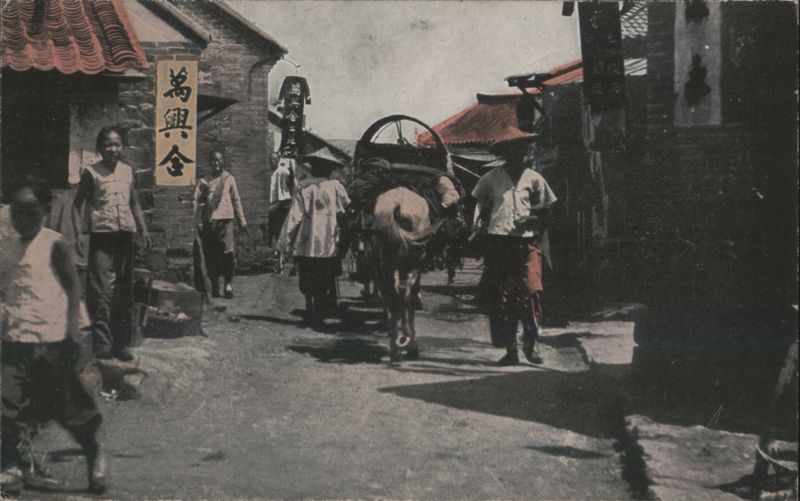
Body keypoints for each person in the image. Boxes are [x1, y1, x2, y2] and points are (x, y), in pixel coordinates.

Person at [1, 183, 107, 495]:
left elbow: (74, 287)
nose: (23, 218)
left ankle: (93, 452)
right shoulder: (8, 246)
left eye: (31, 212)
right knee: (7, 404)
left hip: (51, 338)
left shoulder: (55, 244)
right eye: (16, 211)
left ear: (45, 213)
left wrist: (74, 328)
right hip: (15, 336)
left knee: (69, 408)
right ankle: (12, 466)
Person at [471, 135, 557, 366]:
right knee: (503, 297)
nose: (517, 157)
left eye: (520, 152)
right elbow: (481, 206)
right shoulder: (490, 179)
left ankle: (531, 345)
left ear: (525, 154)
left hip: (527, 244)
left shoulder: (534, 179)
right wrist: (483, 229)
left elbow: (547, 210)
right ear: (504, 156)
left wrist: (533, 222)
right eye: (511, 153)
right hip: (499, 243)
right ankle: (511, 351)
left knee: (530, 292)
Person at [72, 126, 152, 362]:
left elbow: (134, 203)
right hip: (102, 237)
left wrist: (143, 228)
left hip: (124, 236)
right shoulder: (91, 173)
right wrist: (78, 234)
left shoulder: (128, 172)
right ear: (100, 148)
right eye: (108, 145)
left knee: (124, 291)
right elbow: (77, 206)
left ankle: (120, 343)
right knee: (100, 292)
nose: (113, 149)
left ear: (123, 146)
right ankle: (101, 345)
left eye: (117, 144)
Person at [278, 148, 350, 328]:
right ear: (329, 169)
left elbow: (294, 217)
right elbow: (347, 209)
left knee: (308, 275)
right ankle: (322, 308)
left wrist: (284, 243)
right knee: (325, 275)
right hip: (329, 242)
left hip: (307, 241)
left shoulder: (304, 188)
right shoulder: (336, 187)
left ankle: (311, 305)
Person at [193, 149, 249, 299]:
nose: (216, 164)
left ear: (223, 161)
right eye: (213, 161)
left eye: (219, 161)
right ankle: (216, 285)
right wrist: (196, 219)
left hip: (226, 222)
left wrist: (242, 221)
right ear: (210, 162)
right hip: (210, 222)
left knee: (228, 254)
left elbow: (236, 201)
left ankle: (228, 285)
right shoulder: (205, 180)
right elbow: (196, 199)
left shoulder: (229, 179)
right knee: (211, 256)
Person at [268, 157, 296, 272]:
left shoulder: (282, 171)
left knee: (279, 230)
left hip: (282, 203)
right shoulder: (273, 173)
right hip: (277, 203)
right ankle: (279, 256)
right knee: (276, 231)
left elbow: (290, 176)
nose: (272, 162)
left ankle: (281, 256)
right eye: (271, 160)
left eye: (274, 159)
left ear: (278, 160)